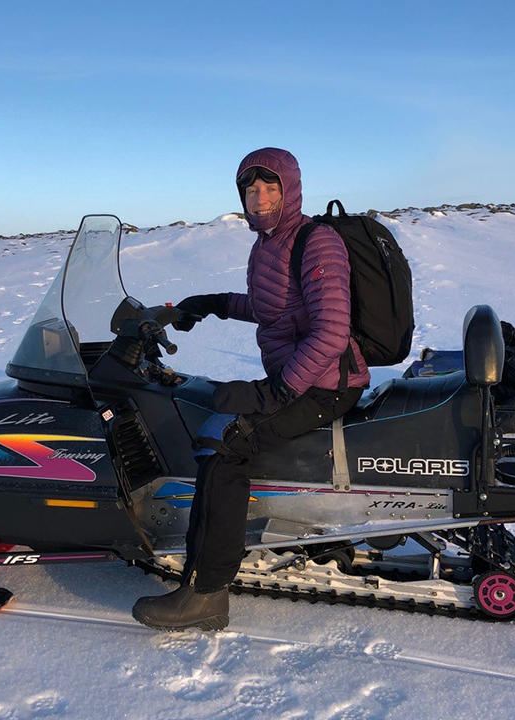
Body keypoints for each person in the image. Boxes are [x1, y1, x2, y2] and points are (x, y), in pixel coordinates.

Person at [131, 148, 370, 631]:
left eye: (269, 188)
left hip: (324, 385)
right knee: (211, 406)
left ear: (290, 190)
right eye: (249, 189)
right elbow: (276, 307)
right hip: (304, 378)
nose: (258, 199)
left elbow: (330, 331)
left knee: (225, 445)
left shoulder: (315, 241)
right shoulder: (270, 243)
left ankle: (205, 594)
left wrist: (276, 393)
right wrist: (213, 304)